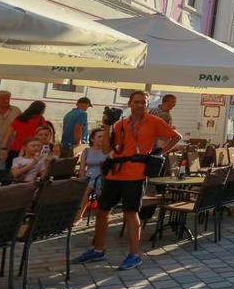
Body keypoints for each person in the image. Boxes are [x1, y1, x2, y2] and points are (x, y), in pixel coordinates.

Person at [73, 92, 180, 271]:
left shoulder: (154, 121)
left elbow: (176, 136)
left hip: (136, 174)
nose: (140, 105)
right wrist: (107, 126)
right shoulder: (121, 124)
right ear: (130, 103)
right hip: (116, 173)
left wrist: (159, 153)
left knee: (131, 212)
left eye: (143, 102)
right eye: (136, 102)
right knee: (102, 210)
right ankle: (98, 249)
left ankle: (135, 254)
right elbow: (107, 149)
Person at [0, 100, 46, 165]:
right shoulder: (41, 120)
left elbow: (7, 134)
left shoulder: (20, 118)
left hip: (16, 149)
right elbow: (44, 135)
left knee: (13, 171)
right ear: (41, 110)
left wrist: (3, 148)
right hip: (32, 150)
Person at [76, 128, 108, 221]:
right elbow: (82, 168)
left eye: (104, 136)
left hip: (102, 177)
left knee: (91, 186)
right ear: (92, 139)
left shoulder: (107, 151)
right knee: (85, 187)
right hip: (88, 177)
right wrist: (82, 179)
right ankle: (79, 216)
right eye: (99, 136)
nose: (102, 138)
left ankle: (99, 216)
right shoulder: (86, 151)